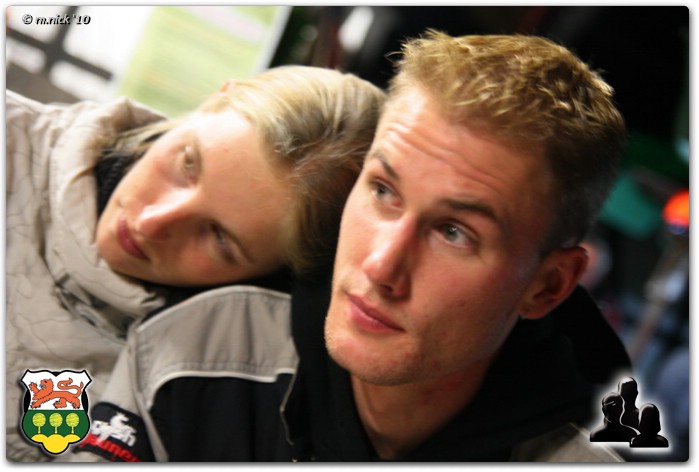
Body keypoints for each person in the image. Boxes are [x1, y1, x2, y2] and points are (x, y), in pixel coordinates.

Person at [67, 31, 631, 462]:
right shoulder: (197, 351)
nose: (382, 266)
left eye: (454, 232)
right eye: (383, 191)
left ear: (548, 285)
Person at [5, 65, 384, 462]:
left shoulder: (211, 389)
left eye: (219, 239)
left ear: (273, 275)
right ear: (215, 97)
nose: (151, 223)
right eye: (187, 164)